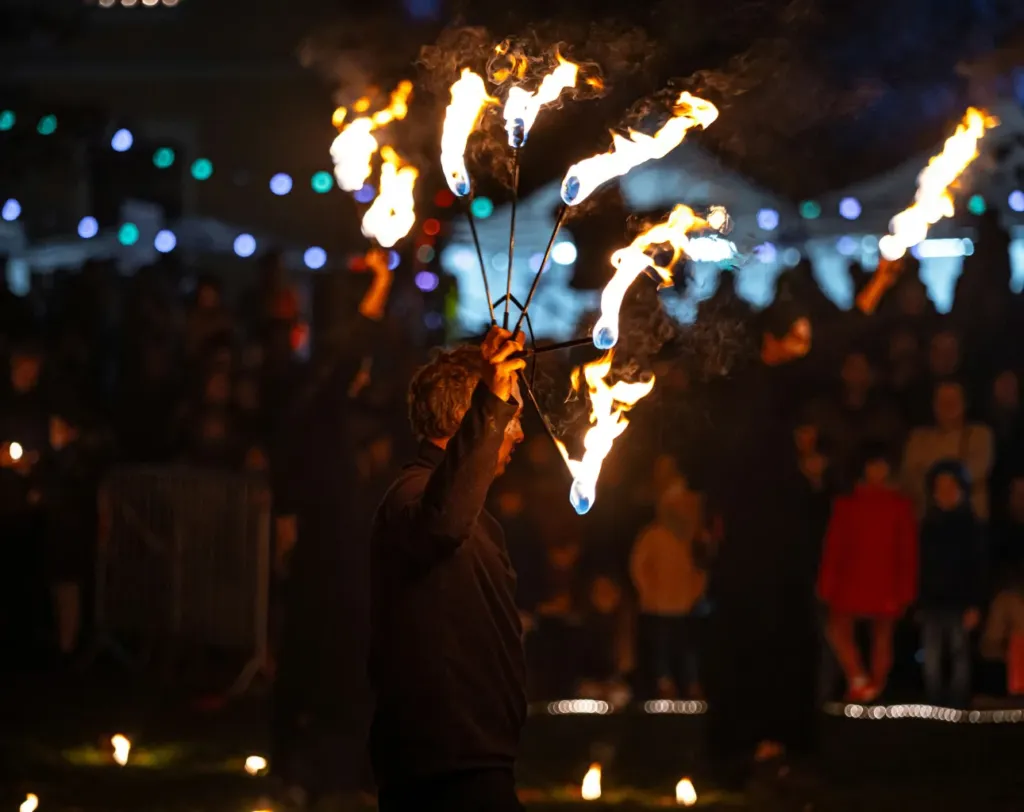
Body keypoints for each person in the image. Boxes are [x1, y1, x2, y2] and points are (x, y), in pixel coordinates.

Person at [369, 325, 527, 812]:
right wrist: (492, 399)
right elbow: (443, 522)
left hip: (473, 758)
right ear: (469, 417)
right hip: (441, 769)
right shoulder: (412, 499)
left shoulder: (471, 515)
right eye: (509, 412)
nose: (517, 432)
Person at [817, 446, 917, 702]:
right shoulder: (849, 504)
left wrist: (906, 588)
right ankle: (861, 680)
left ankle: (871, 685)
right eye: (873, 465)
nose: (877, 471)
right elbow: (835, 545)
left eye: (881, 465)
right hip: (854, 577)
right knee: (841, 628)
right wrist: (827, 583)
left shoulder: (897, 505)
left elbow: (907, 550)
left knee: (881, 636)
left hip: (880, 579)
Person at [630, 473, 706, 700]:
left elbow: (701, 567)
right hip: (658, 606)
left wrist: (695, 592)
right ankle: (665, 685)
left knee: (685, 649)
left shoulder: (692, 536)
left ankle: (690, 684)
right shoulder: (654, 535)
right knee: (660, 649)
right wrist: (648, 591)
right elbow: (639, 565)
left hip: (684, 606)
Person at [917, 460, 986, 707]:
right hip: (933, 601)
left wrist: (975, 604)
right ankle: (934, 702)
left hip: (960, 601)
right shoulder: (928, 526)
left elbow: (978, 569)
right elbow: (922, 566)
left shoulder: (971, 527)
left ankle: (958, 703)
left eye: (951, 486)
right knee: (932, 654)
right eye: (940, 487)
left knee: (959, 653)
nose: (945, 493)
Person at [902, 380, 994, 521]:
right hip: (927, 521)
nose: (948, 406)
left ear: (965, 403)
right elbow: (910, 476)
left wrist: (936, 477)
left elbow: (977, 469)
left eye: (953, 400)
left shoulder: (979, 435)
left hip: (970, 523)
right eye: (942, 401)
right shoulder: (918, 438)